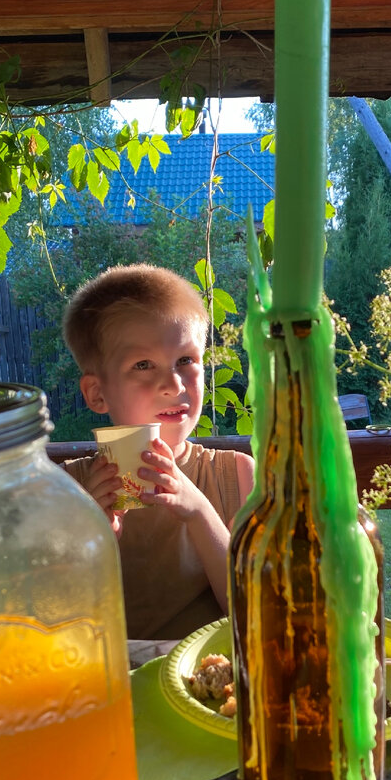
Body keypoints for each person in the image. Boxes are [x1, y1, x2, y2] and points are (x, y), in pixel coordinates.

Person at [62, 263, 255, 639]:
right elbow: (50, 621)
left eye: (186, 360)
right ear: (97, 393)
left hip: (204, 681)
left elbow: (252, 613)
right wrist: (86, 539)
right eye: (143, 365)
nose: (172, 383)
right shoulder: (67, 490)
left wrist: (199, 511)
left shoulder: (236, 477)